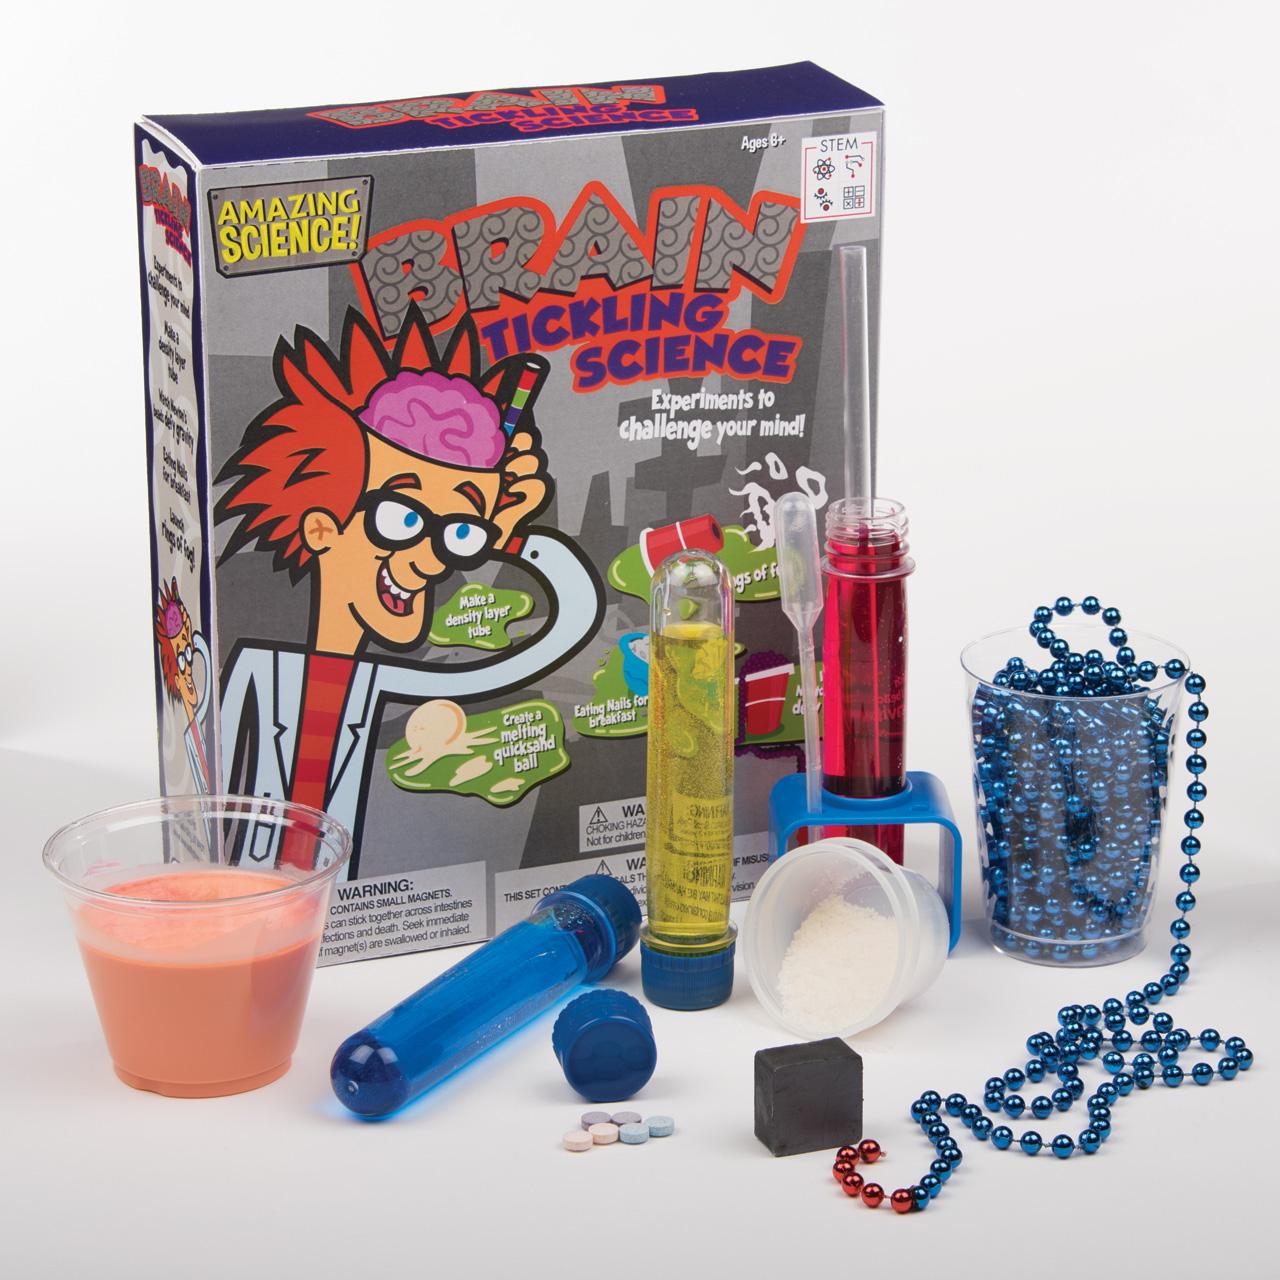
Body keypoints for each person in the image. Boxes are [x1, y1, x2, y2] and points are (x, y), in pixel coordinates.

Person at [215, 306, 602, 875]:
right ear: (321, 528)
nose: (432, 556)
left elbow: (571, 622)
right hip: (250, 900)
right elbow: (212, 802)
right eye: (402, 518)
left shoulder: (388, 683)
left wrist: (508, 536)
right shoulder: (257, 672)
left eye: (458, 532)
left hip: (343, 905)